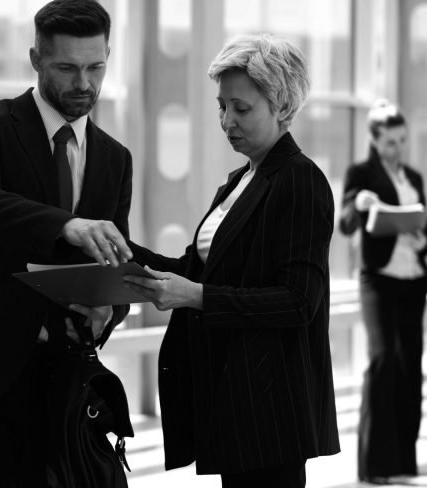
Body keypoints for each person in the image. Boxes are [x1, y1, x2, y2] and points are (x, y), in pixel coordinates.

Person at [0, 0, 136, 486]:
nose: (84, 84)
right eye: (66, 68)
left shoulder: (115, 157)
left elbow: (114, 254)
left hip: (67, 375)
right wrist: (67, 224)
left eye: (96, 67)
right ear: (36, 59)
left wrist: (111, 309)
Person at [123, 34, 340, 488]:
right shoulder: (243, 179)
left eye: (241, 109)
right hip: (238, 398)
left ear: (281, 107)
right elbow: (192, 268)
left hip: (269, 405)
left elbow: (300, 301)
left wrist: (199, 298)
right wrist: (119, 249)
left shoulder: (300, 180)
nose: (227, 121)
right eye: (222, 107)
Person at [338, 101, 427, 483]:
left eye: (402, 141)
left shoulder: (413, 176)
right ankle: (374, 465)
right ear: (374, 141)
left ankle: (403, 462)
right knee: (382, 360)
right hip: (379, 278)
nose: (398, 149)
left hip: (414, 278)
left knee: (410, 365)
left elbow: (426, 234)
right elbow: (344, 225)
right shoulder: (360, 174)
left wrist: (421, 237)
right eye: (390, 142)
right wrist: (358, 202)